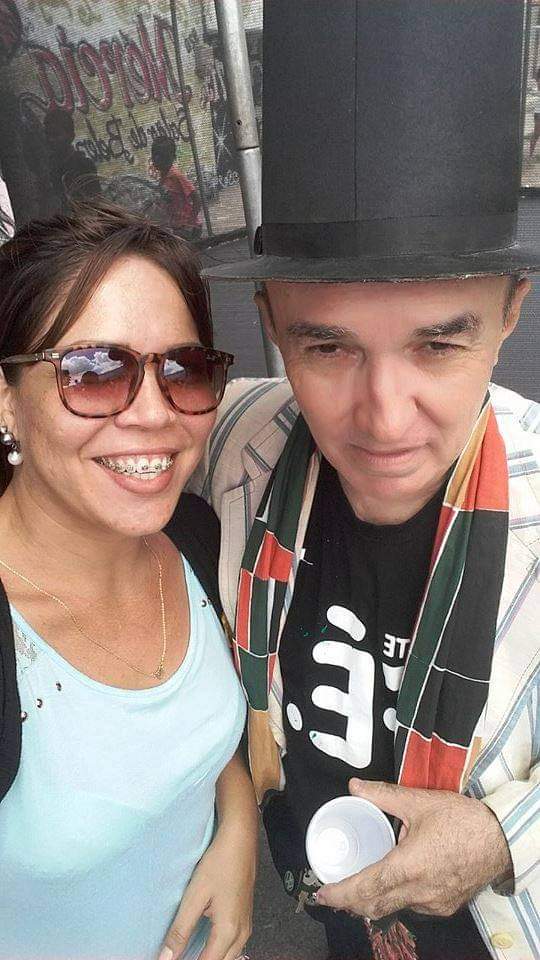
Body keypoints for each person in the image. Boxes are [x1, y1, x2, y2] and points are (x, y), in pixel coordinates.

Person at [191, 3, 540, 959]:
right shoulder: (240, 441)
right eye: (327, 347)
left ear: (511, 310)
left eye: (439, 344)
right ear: (270, 319)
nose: (384, 420)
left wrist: (503, 836)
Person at [0, 199, 257, 960]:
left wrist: (237, 821)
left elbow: (192, 734)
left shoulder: (195, 535)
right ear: (6, 398)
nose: (153, 414)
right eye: (92, 372)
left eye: (184, 369)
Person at [44, 106, 101, 213]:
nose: (50, 140)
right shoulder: (47, 167)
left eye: (56, 135)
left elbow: (95, 203)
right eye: (48, 135)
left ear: (71, 136)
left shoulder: (83, 165)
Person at [150, 136, 203, 242]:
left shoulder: (176, 176)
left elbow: (196, 198)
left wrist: (190, 222)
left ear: (172, 157)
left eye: (161, 157)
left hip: (186, 228)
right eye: (154, 155)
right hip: (175, 225)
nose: (156, 160)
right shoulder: (162, 176)